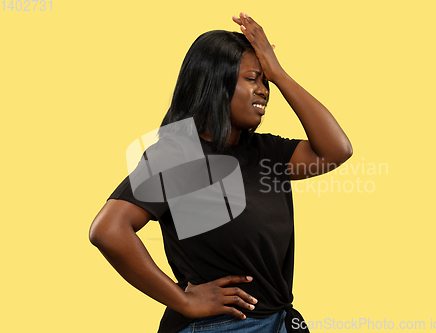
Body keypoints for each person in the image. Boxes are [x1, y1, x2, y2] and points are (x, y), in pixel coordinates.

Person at [89, 12, 353, 333]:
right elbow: (108, 230)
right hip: (223, 325)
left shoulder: (267, 153)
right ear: (215, 81)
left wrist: (279, 73)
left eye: (265, 81)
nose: (264, 90)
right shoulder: (179, 155)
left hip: (281, 320)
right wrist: (183, 300)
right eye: (252, 78)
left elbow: (336, 150)